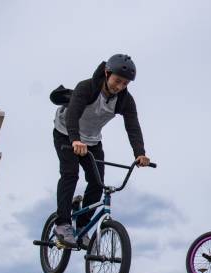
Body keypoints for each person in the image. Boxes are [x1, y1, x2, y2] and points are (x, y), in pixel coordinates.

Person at [52, 54, 150, 248]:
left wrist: (140, 153)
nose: (120, 86)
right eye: (117, 81)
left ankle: (82, 227)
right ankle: (62, 224)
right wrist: (75, 140)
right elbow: (72, 115)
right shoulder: (86, 87)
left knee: (97, 183)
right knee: (70, 174)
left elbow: (133, 126)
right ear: (107, 73)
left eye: (125, 83)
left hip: (92, 141)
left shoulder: (125, 100)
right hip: (66, 133)